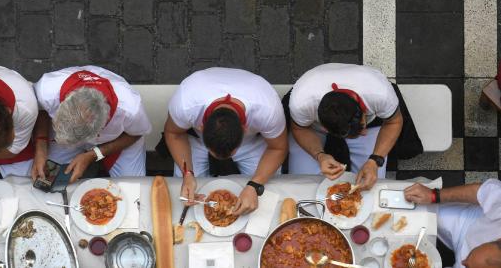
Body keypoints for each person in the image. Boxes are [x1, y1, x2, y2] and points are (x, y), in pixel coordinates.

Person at [162, 68, 287, 215]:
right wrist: (188, 173)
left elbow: (278, 148)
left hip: (250, 144)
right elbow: (174, 134)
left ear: (245, 129)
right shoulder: (186, 103)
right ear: (201, 127)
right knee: (185, 192)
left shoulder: (267, 109)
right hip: (200, 142)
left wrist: (255, 185)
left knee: (267, 194)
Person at [287, 63, 404, 191]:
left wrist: (375, 160)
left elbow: (394, 122)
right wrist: (319, 155)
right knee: (301, 185)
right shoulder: (302, 102)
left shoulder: (380, 93)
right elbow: (300, 128)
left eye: (360, 129)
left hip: (371, 126)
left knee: (370, 185)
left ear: (364, 111)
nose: (361, 133)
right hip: (312, 128)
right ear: (326, 128)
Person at [31, 66, 152, 183]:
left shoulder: (131, 110)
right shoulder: (46, 89)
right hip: (71, 132)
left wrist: (94, 155)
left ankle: (91, 162)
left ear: (100, 129)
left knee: (133, 188)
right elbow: (41, 110)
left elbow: (136, 134)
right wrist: (41, 146)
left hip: (119, 138)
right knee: (48, 177)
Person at [404, 180, 501, 268]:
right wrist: (434, 195)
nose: (463, 262)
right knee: (412, 206)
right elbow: (482, 192)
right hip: (466, 221)